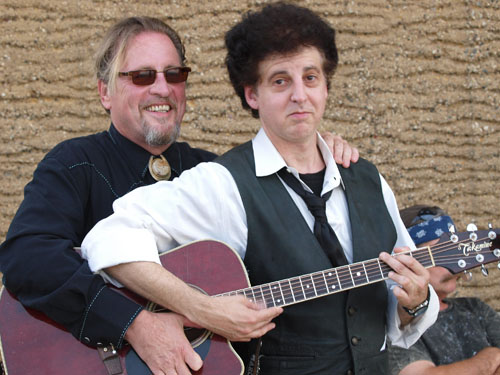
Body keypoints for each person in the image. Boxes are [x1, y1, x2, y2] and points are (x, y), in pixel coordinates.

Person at [81, 4, 439, 375]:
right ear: (252, 95)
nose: (300, 95)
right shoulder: (224, 184)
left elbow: (399, 315)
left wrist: (414, 301)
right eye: (281, 81)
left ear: (326, 86)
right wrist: (200, 308)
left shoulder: (369, 181)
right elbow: (109, 236)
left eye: (311, 78)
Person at [0, 15, 357, 375]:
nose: (162, 88)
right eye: (142, 76)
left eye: (174, 75)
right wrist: (134, 323)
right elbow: (28, 256)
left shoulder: (216, 173)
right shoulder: (75, 164)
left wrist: (311, 153)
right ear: (105, 93)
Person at [388, 205, 500, 375]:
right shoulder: (397, 323)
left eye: (455, 251)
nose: (453, 261)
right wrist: (491, 358)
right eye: (440, 253)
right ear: (408, 262)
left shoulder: (474, 308)